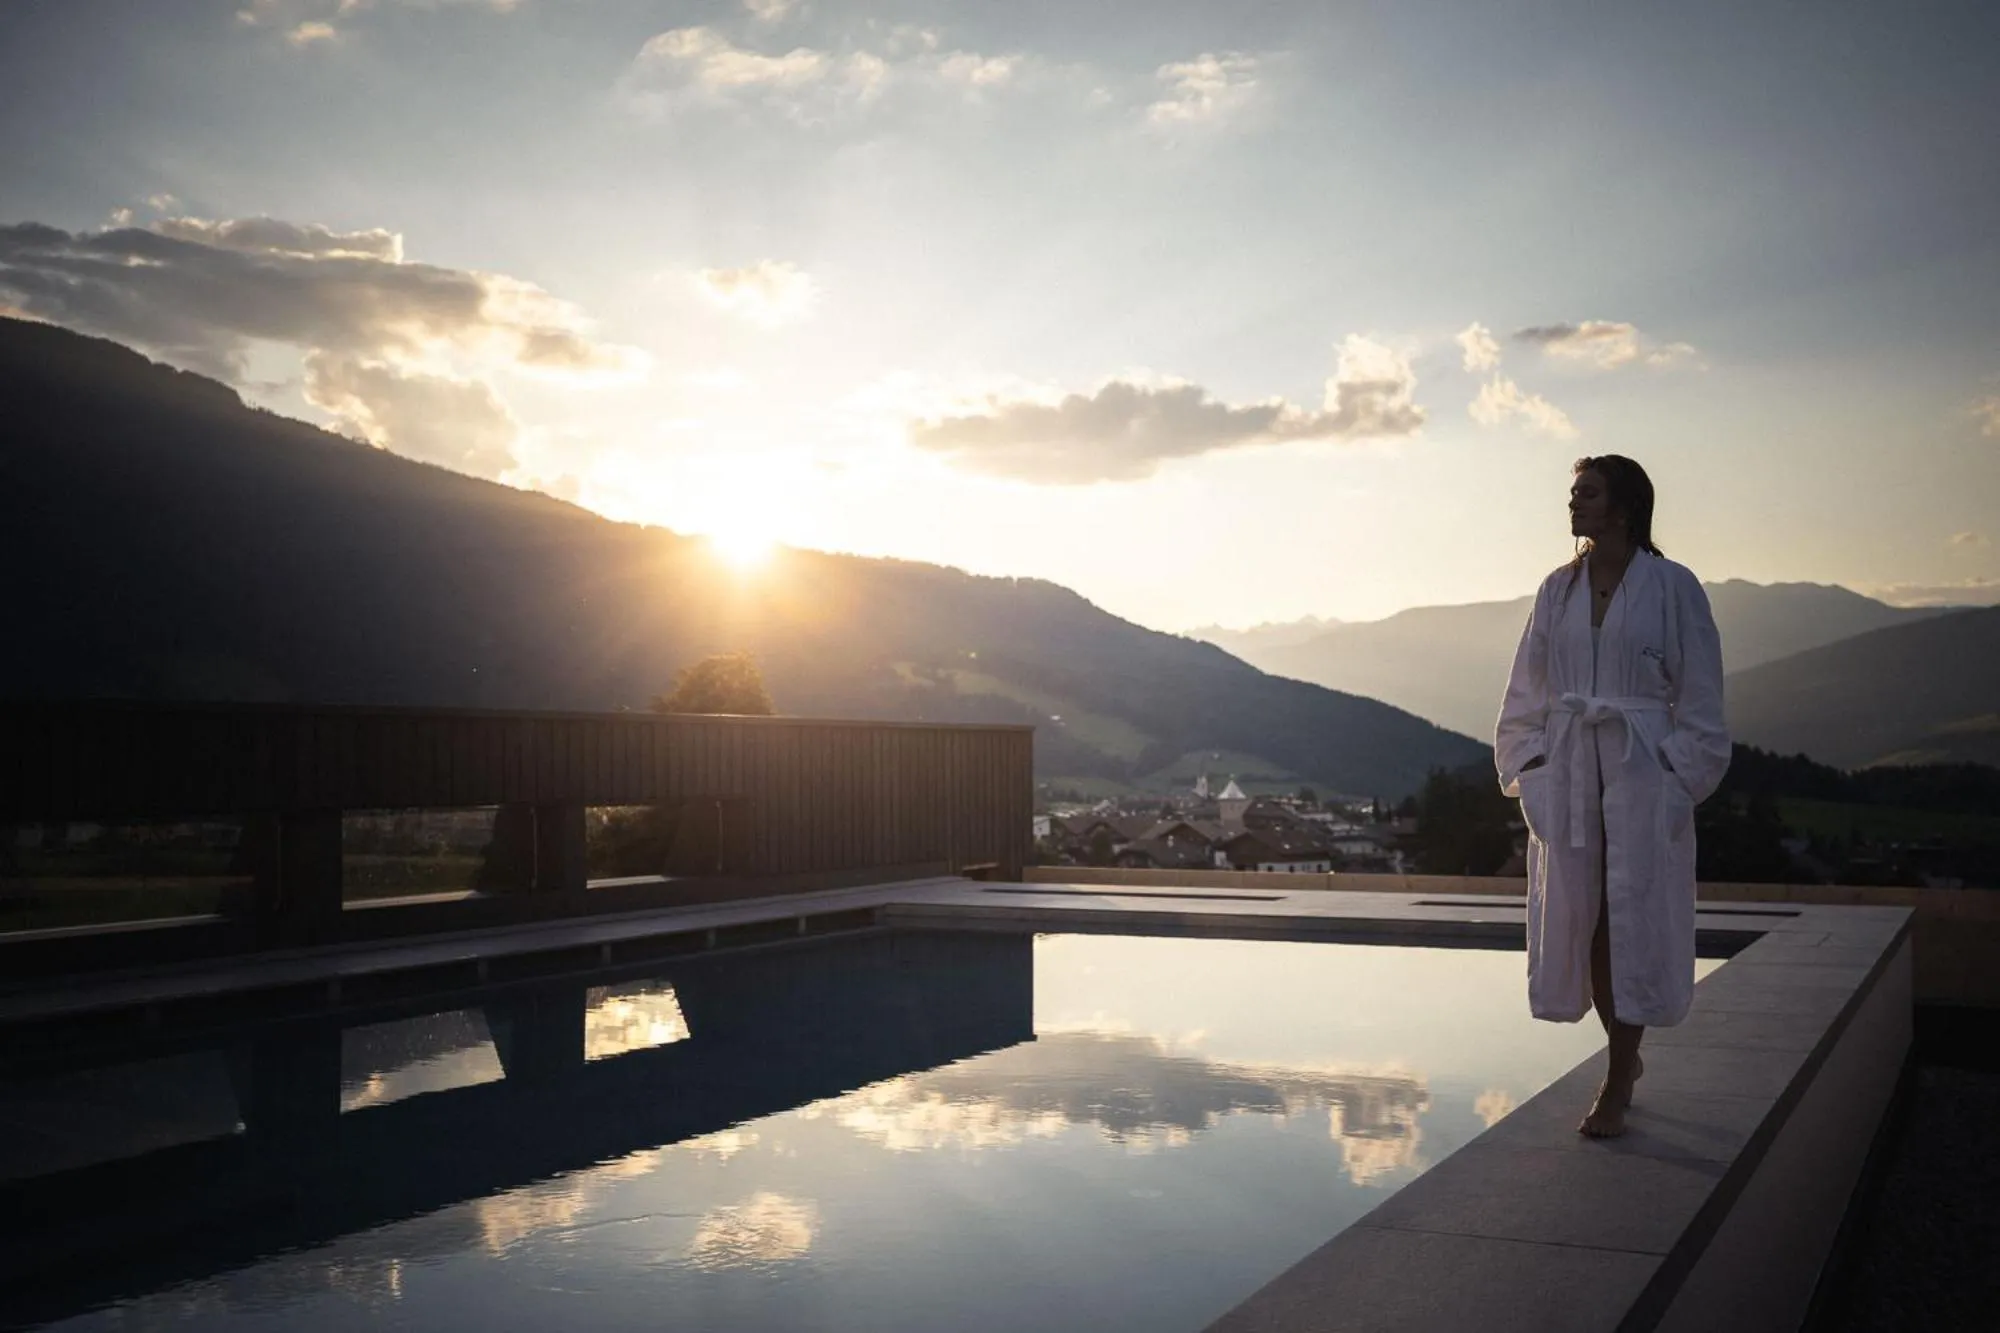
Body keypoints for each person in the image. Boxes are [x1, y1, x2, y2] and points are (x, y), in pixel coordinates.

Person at [1494, 456, 1730, 1137]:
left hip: (1640, 767)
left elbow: (1702, 695)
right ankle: (1622, 1057)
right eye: (1573, 494)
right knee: (1589, 918)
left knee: (1633, 915)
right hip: (1570, 767)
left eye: (1588, 494)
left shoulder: (1673, 587)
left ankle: (1619, 1073)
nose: (1574, 504)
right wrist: (1530, 767)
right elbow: (1525, 689)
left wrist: (1677, 777)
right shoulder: (1556, 590)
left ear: (1624, 507)